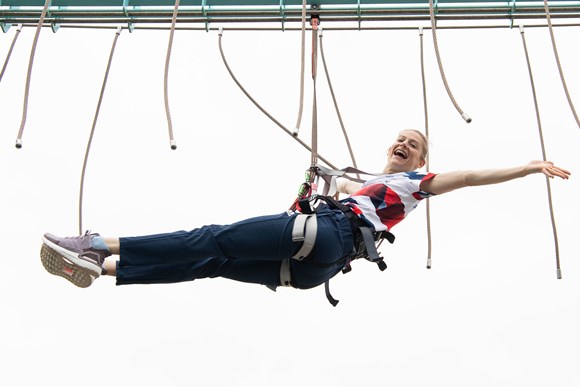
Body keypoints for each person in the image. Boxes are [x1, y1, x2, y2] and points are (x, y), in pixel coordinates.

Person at [40, 129, 570, 292]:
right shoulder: (358, 184)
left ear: (424, 160)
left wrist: (526, 167)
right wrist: (322, 186)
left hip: (329, 237)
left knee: (210, 238)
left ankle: (97, 243)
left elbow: (472, 177)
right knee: (213, 261)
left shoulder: (413, 184)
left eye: (415, 143)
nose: (404, 144)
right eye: (400, 139)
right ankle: (103, 268)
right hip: (311, 267)